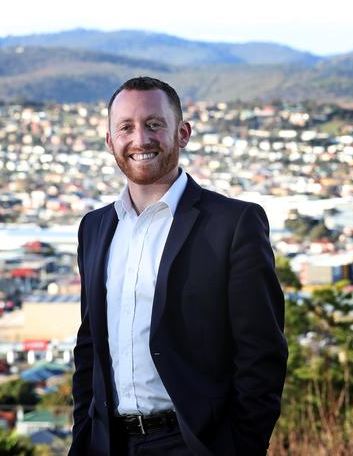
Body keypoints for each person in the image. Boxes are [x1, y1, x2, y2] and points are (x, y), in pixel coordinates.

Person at [70, 76, 288, 456]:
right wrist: (83, 436)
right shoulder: (94, 227)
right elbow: (89, 345)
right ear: (110, 142)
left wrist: (241, 447)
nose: (140, 139)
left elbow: (262, 353)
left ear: (182, 134)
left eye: (154, 124)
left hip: (193, 443)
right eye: (126, 127)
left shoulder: (233, 224)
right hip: (108, 444)